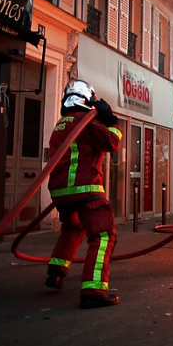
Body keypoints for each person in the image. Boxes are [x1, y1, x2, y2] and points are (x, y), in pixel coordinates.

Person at [45, 79, 123, 309]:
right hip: (86, 190)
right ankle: (94, 290)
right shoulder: (85, 121)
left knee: (73, 228)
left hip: (61, 193)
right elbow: (112, 142)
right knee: (103, 235)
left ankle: (56, 271)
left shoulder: (62, 123)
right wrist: (111, 121)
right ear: (87, 99)